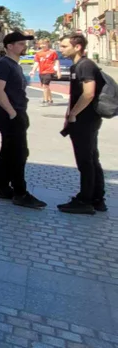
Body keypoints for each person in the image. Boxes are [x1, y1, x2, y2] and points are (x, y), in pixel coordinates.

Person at [0, 31, 45, 209]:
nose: (24, 47)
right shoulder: (3, 64)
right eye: (20, 44)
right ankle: (20, 193)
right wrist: (12, 112)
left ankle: (3, 188)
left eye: (24, 44)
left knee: (8, 151)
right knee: (19, 153)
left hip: (15, 112)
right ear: (9, 46)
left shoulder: (15, 65)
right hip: (8, 114)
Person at [57, 33, 106, 214]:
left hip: (85, 120)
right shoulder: (77, 66)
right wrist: (68, 114)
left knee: (86, 161)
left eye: (64, 46)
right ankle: (97, 198)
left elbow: (88, 93)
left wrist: (73, 115)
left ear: (77, 47)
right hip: (83, 119)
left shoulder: (84, 66)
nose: (61, 49)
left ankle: (86, 201)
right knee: (91, 159)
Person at [33, 38, 60, 106]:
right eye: (41, 44)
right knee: (45, 86)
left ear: (48, 44)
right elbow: (36, 62)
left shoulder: (52, 52)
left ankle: (45, 100)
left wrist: (58, 71)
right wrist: (33, 70)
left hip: (49, 71)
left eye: (44, 44)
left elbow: (56, 61)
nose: (43, 45)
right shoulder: (38, 53)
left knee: (45, 86)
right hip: (41, 71)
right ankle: (50, 99)